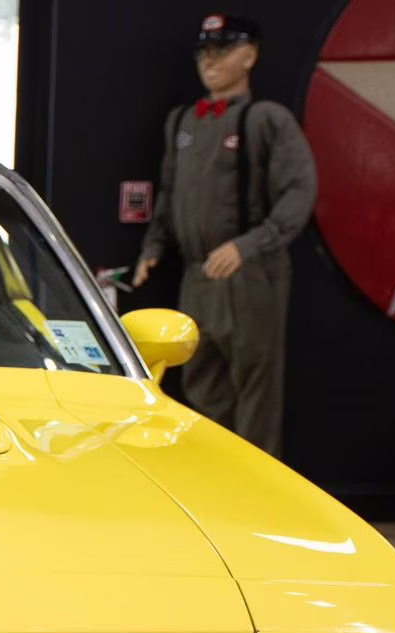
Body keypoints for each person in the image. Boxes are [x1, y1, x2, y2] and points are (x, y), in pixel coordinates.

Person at [133, 14, 315, 458]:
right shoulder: (182, 123)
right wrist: (153, 247)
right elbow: (170, 191)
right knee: (199, 379)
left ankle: (257, 489)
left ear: (249, 56)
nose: (209, 60)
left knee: (255, 383)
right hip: (198, 274)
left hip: (250, 274)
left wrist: (250, 245)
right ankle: (215, 475)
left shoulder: (266, 119)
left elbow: (299, 190)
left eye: (223, 50)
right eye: (204, 51)